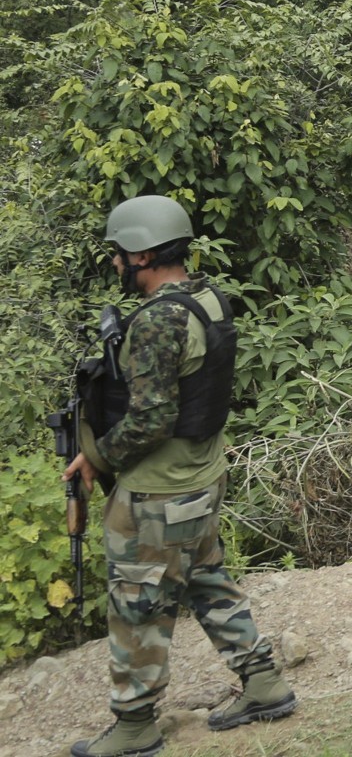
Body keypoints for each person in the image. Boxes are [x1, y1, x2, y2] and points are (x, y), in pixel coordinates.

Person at [64, 195, 295, 757]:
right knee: (204, 578)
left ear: (141, 254)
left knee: (136, 603)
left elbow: (150, 418)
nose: (116, 264)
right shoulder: (208, 300)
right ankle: (263, 683)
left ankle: (136, 723)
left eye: (119, 255)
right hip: (202, 478)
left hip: (159, 494)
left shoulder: (158, 320)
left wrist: (97, 458)